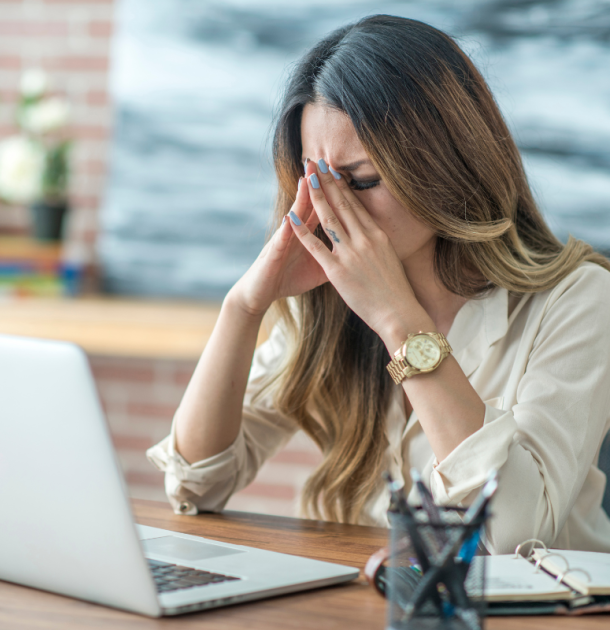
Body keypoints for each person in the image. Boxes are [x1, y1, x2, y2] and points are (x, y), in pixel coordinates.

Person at [147, 15, 610, 554]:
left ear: (447, 164)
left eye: (363, 181)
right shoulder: (327, 300)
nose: (334, 209)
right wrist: (245, 306)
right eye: (318, 180)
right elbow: (195, 484)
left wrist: (398, 319)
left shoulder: (577, 300)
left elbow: (509, 535)